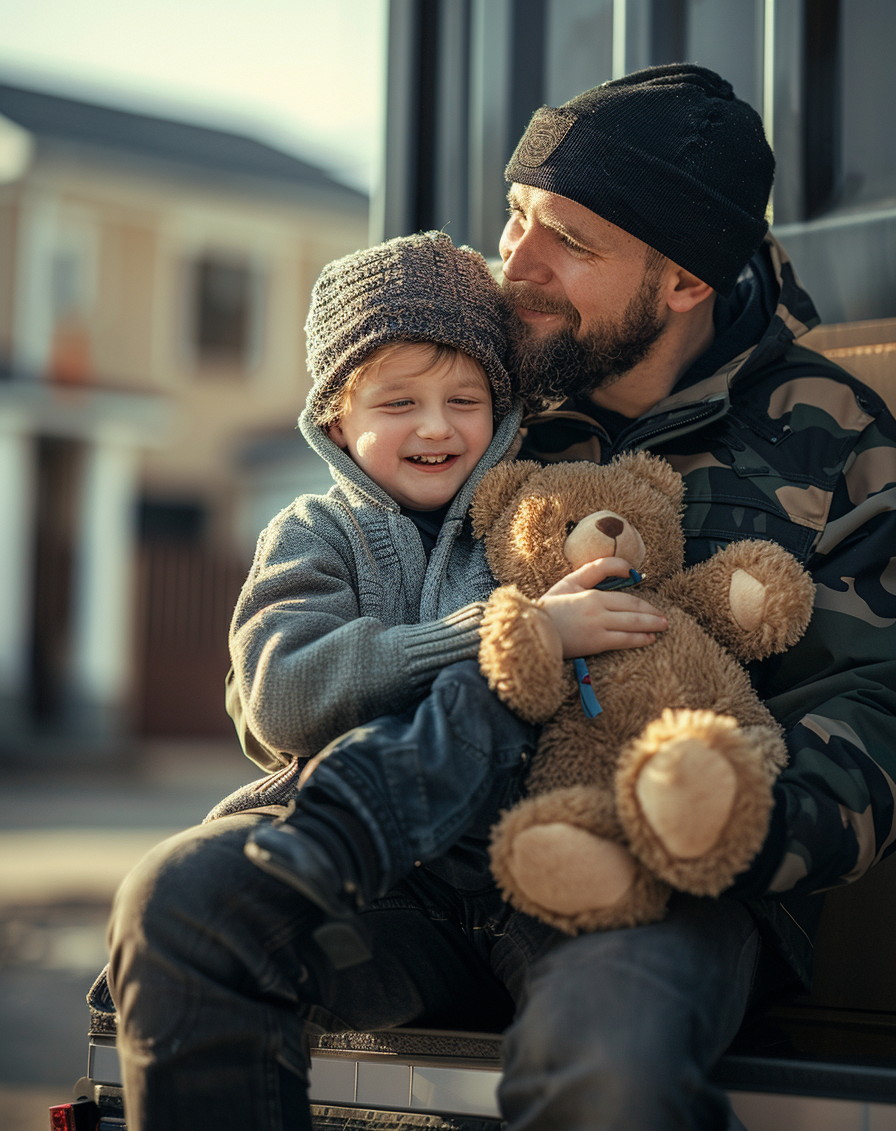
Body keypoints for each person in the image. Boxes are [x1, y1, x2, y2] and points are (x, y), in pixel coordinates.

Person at [106, 64, 896, 1131]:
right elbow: (304, 648)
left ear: (681, 283)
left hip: (642, 887)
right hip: (417, 860)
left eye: (569, 240)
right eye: (516, 215)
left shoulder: (829, 431)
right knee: (183, 901)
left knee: (603, 1067)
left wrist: (718, 816)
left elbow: (873, 705)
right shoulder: (475, 384)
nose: (512, 263)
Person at [222, 232, 665, 966]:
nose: (436, 425)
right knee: (468, 687)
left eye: (464, 399)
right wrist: (509, 633)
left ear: (501, 410)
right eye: (399, 402)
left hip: (512, 868)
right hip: (364, 866)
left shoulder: (527, 520)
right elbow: (282, 697)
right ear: (337, 420)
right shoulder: (315, 531)